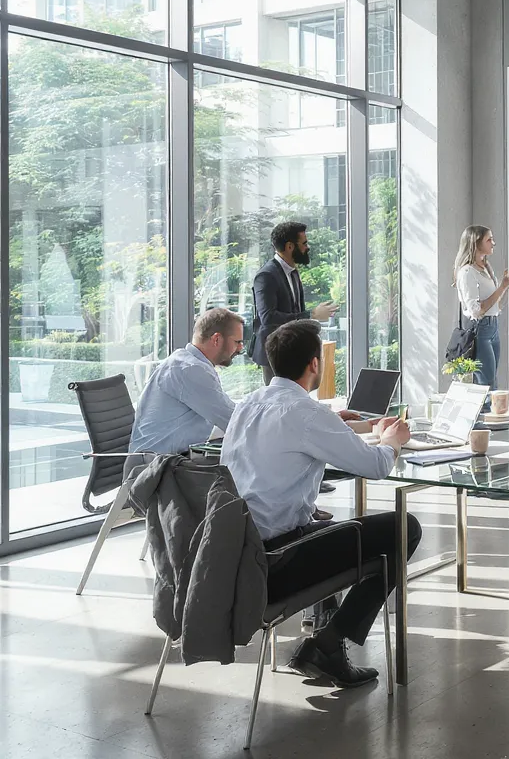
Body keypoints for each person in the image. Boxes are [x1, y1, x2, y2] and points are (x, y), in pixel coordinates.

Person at [221, 319, 419, 688]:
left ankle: (327, 643)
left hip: (238, 553)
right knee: (404, 528)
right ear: (315, 364)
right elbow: (376, 466)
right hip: (277, 563)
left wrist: (335, 424)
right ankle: (327, 645)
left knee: (326, 527)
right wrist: (392, 439)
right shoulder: (307, 414)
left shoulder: (248, 403)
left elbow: (285, 443)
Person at [128, 308, 245, 458]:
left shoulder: (184, 361)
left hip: (165, 460)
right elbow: (234, 420)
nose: (240, 348)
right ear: (216, 339)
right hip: (158, 467)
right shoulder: (191, 369)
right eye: (237, 342)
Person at [250, 221, 338, 386]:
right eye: (304, 243)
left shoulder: (293, 271)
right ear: (290, 247)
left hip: (294, 351)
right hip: (275, 355)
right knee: (279, 400)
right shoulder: (266, 275)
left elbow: (294, 309)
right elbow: (268, 318)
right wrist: (311, 315)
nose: (307, 247)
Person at [453, 225, 509, 406]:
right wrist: (502, 286)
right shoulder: (467, 272)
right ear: (476, 243)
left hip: (492, 326)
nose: (493, 243)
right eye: (489, 239)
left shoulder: (485, 267)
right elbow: (476, 310)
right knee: (487, 385)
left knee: (491, 381)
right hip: (480, 328)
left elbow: (495, 302)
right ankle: (484, 419)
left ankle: (489, 418)